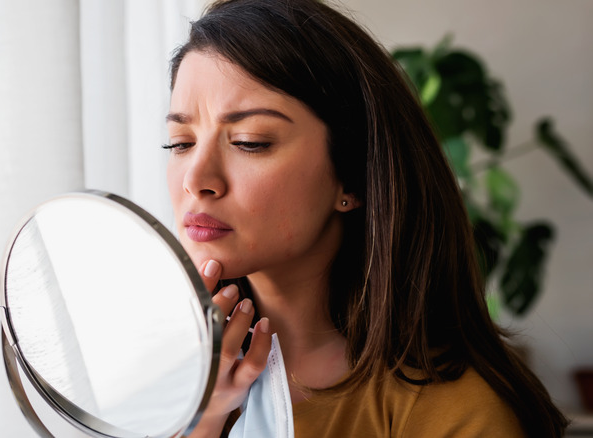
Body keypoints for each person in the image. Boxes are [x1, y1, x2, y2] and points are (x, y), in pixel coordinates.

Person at [163, 0, 569, 437]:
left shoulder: (452, 411)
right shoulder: (155, 386)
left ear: (351, 178)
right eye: (180, 143)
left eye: (250, 141)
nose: (196, 179)